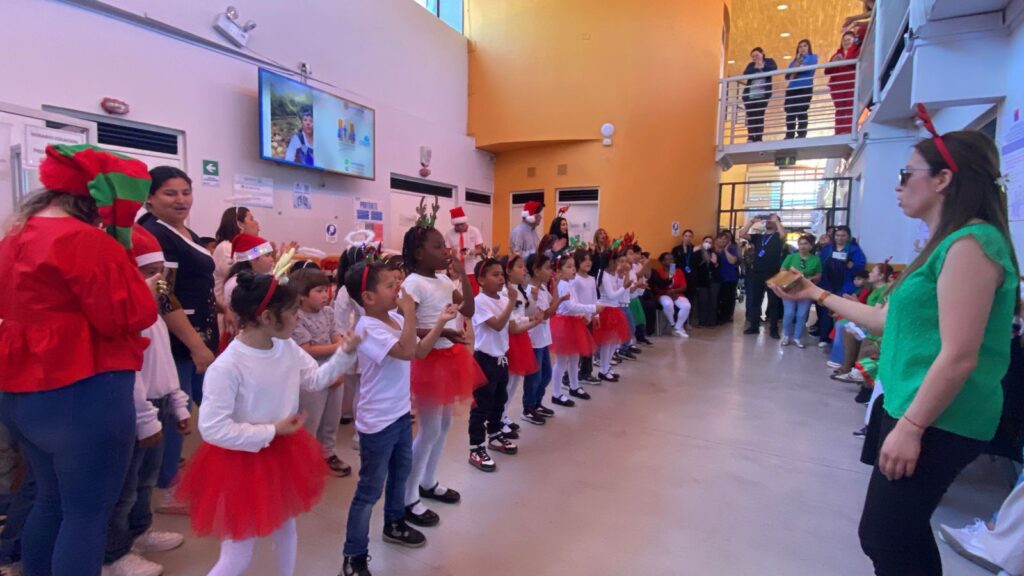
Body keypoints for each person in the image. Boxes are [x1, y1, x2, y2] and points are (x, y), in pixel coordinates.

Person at [772, 127, 1020, 575]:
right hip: (914, 402)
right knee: (893, 534)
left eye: (907, 174)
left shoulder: (972, 244)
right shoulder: (947, 242)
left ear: (943, 179)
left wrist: (912, 426)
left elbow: (960, 354)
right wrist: (814, 292)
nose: (898, 185)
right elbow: (885, 320)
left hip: (941, 415)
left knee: (888, 535)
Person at [0, 144, 156, 576]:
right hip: (83, 391)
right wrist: (141, 284)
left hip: (24, 393)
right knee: (87, 514)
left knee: (50, 501)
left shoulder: (16, 235)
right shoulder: (87, 241)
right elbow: (127, 316)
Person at [174, 271, 357, 575]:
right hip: (242, 463)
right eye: (293, 312)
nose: (298, 318)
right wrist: (272, 430)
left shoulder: (285, 347)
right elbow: (213, 428)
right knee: (238, 553)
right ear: (268, 317)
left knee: (286, 529)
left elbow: (314, 379)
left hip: (283, 454)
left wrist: (343, 355)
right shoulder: (228, 366)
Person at [340, 262, 455, 576]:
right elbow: (405, 351)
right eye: (391, 286)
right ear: (368, 297)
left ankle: (394, 523)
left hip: (400, 414)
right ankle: (353, 555)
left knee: (401, 473)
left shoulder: (395, 318)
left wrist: (439, 323)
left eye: (398, 284)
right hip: (377, 422)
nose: (399, 291)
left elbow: (418, 352)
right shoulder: (368, 328)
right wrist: (411, 311)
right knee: (369, 490)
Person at [104, 225, 191, 576]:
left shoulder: (153, 315)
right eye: (147, 272)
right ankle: (114, 553)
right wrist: (145, 419)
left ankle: (140, 532)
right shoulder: (127, 320)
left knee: (146, 480)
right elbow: (130, 374)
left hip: (160, 405)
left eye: (160, 272)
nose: (157, 280)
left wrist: (178, 402)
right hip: (138, 412)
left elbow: (165, 365)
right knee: (124, 486)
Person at [138, 166, 219, 510]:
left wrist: (222, 308)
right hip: (179, 341)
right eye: (170, 193)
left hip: (198, 334)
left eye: (186, 192)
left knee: (206, 404)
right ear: (149, 198)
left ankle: (187, 476)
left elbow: (193, 281)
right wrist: (196, 346)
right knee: (176, 412)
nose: (181, 200)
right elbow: (164, 295)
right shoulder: (155, 235)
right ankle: (167, 487)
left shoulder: (181, 230)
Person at [400, 218, 483, 528]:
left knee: (445, 425)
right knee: (430, 429)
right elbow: (405, 327)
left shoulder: (445, 281)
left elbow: (468, 311)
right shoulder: (412, 284)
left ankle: (428, 480)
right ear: (419, 253)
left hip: (449, 358)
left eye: (444, 246)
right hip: (428, 361)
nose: (445, 251)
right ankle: (408, 496)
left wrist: (463, 279)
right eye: (438, 246)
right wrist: (443, 332)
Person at [289, 267, 353, 479]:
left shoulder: (328, 312)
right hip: (310, 374)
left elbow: (336, 335)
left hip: (332, 368)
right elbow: (306, 349)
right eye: (319, 291)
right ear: (301, 296)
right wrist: (340, 348)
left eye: (326, 290)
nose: (326, 295)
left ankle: (328, 453)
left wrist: (338, 364)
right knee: (311, 419)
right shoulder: (296, 317)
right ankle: (304, 459)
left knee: (332, 417)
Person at [469, 259, 521, 472]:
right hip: (485, 360)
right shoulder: (479, 302)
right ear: (481, 280)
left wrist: (534, 321)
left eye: (502, 274)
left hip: (502, 358)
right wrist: (511, 302)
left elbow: (511, 327)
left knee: (500, 400)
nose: (501, 278)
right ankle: (476, 447)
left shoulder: (503, 299)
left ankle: (495, 435)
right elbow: (498, 325)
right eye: (495, 275)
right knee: (481, 406)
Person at [550, 255, 602, 405]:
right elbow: (569, 306)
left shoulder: (570, 284)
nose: (573, 269)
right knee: (561, 361)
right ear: (559, 271)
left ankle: (574, 386)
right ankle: (556, 393)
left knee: (574, 358)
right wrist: (592, 308)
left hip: (574, 323)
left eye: (573, 266)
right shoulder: (562, 285)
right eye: (568, 266)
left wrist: (584, 315)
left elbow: (576, 302)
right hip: (564, 325)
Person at [521, 255, 564, 423]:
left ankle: (537, 403)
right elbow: (544, 314)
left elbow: (552, 306)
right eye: (547, 268)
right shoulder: (531, 291)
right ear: (536, 270)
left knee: (546, 374)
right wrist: (559, 302)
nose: (550, 271)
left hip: (544, 338)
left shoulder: (543, 288)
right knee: (534, 376)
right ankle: (528, 408)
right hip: (534, 340)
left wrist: (557, 287)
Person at [502, 255, 541, 428]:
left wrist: (533, 303)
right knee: (508, 381)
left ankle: (504, 414)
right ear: (508, 271)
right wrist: (531, 321)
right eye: (519, 266)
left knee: (515, 380)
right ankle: (498, 417)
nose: (524, 270)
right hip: (511, 338)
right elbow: (512, 320)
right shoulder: (505, 292)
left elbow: (522, 314)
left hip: (521, 336)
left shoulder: (519, 290)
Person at [817, 225, 867, 347]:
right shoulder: (828, 248)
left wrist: (848, 262)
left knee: (840, 312)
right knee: (825, 311)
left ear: (848, 236)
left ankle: (838, 341)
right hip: (827, 283)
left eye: (843, 235)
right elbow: (820, 264)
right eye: (837, 235)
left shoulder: (854, 250)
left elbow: (860, 267)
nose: (840, 238)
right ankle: (824, 338)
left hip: (844, 285)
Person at [739, 214, 787, 339]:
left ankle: (773, 329)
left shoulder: (778, 236)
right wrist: (751, 222)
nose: (769, 221)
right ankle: (754, 326)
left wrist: (777, 222)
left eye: (772, 219)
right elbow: (742, 234)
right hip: (757, 273)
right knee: (755, 300)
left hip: (773, 273)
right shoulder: (759, 237)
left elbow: (783, 235)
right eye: (769, 219)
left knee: (773, 302)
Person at [596, 251, 638, 380]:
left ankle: (607, 366)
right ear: (609, 262)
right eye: (617, 261)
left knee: (614, 342)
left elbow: (621, 290)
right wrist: (624, 287)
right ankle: (603, 369)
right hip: (606, 310)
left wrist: (623, 275)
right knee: (606, 342)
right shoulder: (603, 275)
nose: (618, 264)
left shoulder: (613, 274)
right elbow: (611, 295)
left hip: (614, 309)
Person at [213, 206, 260, 319]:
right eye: (251, 219)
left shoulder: (244, 250)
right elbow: (245, 271)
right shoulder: (225, 247)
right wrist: (264, 250)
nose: (257, 223)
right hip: (227, 314)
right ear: (239, 224)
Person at [779, 234, 822, 348]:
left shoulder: (816, 259)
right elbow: (782, 270)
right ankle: (786, 336)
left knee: (801, 314)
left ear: (811, 246)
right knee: (789, 313)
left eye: (806, 244)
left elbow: (819, 274)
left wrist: (811, 278)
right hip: (790, 289)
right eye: (801, 244)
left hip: (806, 290)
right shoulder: (791, 257)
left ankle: (797, 337)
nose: (803, 246)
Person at [444, 206, 484, 295]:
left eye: (462, 224)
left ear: (465, 221)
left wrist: (472, 251)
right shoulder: (449, 234)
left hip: (472, 270)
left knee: (473, 295)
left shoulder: (474, 231)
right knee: (458, 296)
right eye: (457, 225)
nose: (460, 227)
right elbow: (445, 252)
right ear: (454, 224)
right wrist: (451, 253)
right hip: (456, 273)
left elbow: (481, 250)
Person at [825, 31, 859, 135]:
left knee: (850, 108)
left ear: (854, 41)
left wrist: (852, 50)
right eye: (844, 40)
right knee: (840, 109)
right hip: (837, 86)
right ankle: (838, 131)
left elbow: (856, 64)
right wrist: (833, 63)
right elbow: (827, 71)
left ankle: (848, 131)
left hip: (851, 84)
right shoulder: (837, 54)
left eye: (848, 39)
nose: (846, 42)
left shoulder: (857, 52)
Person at [742, 47, 778, 142]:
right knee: (750, 116)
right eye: (753, 56)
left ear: (762, 53)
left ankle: (758, 137)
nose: (755, 58)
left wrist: (762, 66)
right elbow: (745, 73)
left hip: (763, 94)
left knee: (759, 115)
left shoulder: (769, 61)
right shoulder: (751, 65)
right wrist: (755, 68)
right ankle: (751, 137)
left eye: (756, 55)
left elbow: (774, 68)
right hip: (750, 95)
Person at [652, 252, 692, 338]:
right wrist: (668, 293)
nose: (671, 261)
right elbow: (655, 289)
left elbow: (684, 287)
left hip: (677, 294)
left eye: (672, 259)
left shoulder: (677, 271)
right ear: (662, 262)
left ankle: (677, 327)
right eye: (668, 259)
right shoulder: (658, 272)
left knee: (686, 306)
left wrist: (673, 291)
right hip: (663, 294)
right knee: (667, 303)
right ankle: (673, 324)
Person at [784, 39, 818, 139]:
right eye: (800, 46)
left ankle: (801, 134)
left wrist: (796, 68)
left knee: (801, 110)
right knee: (790, 111)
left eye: (805, 46)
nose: (802, 48)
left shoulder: (813, 57)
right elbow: (788, 76)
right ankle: (789, 135)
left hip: (805, 87)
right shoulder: (793, 61)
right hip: (791, 88)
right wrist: (797, 65)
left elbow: (806, 69)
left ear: (809, 47)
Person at [672, 230, 700, 327]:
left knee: (690, 300)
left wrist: (695, 252)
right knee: (679, 299)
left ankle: (687, 322)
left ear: (692, 238)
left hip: (691, 278)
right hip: (679, 278)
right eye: (686, 236)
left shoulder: (694, 249)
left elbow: (697, 264)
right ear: (682, 237)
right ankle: (677, 322)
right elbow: (672, 263)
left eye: (690, 236)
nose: (688, 238)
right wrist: (671, 276)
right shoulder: (676, 249)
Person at [696, 235, 721, 327]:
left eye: (710, 242)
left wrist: (715, 262)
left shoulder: (715, 253)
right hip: (702, 281)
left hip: (714, 280)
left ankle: (712, 321)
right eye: (706, 241)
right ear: (702, 242)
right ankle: (702, 321)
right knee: (702, 301)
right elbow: (696, 265)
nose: (708, 244)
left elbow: (718, 266)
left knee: (713, 301)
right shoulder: (697, 253)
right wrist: (704, 259)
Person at [715, 231, 740, 323]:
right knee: (719, 298)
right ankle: (719, 316)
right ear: (716, 239)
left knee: (728, 299)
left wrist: (725, 250)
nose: (722, 241)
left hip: (729, 278)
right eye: (720, 238)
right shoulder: (714, 249)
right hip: (718, 278)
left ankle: (726, 317)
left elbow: (732, 261)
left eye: (725, 239)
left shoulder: (731, 249)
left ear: (728, 241)